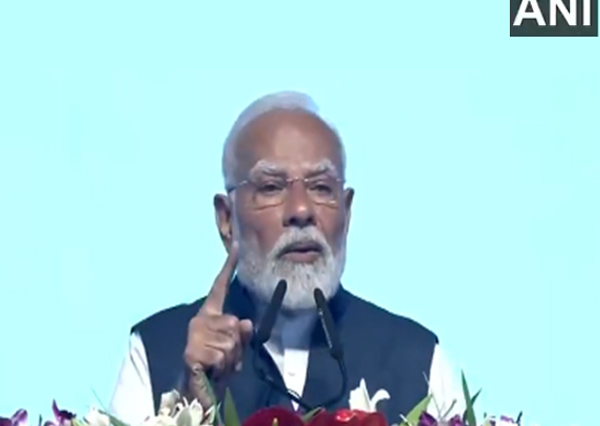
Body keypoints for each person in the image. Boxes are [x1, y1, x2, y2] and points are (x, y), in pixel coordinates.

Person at [109, 91, 463, 425]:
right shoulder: (156, 351)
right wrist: (190, 404)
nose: (301, 210)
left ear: (347, 212)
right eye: (271, 187)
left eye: (321, 187)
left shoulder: (417, 359)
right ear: (226, 219)